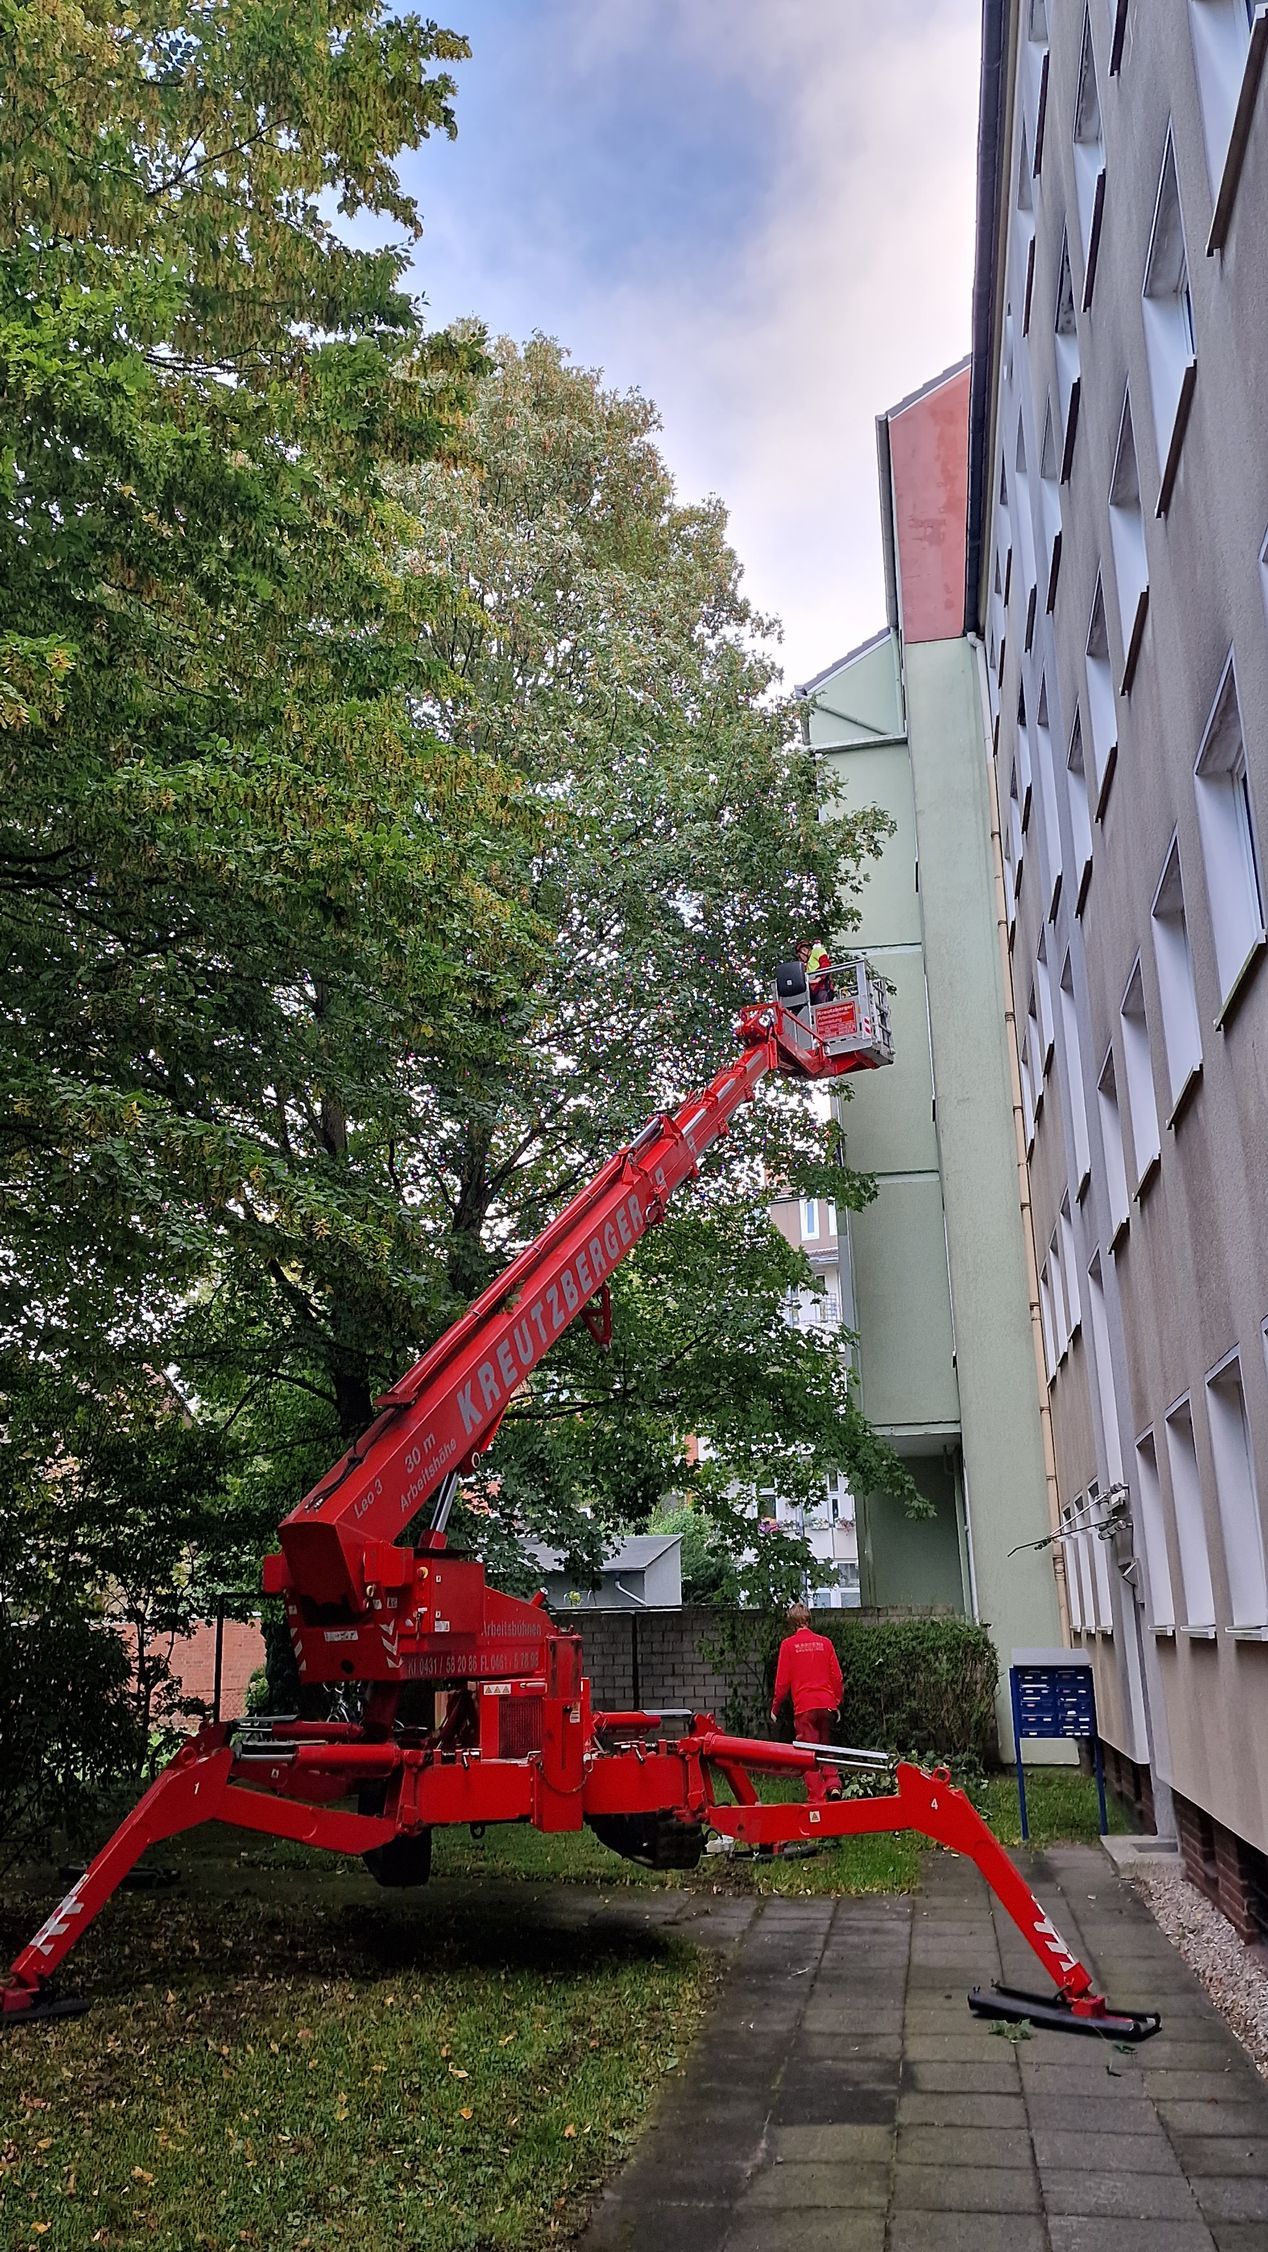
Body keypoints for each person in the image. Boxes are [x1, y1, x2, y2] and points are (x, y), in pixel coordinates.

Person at [770, 1602, 844, 1803]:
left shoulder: (788, 1645)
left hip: (805, 1707)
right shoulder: (825, 1643)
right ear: (809, 1620)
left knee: (808, 1753)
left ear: (791, 1623)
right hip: (826, 1704)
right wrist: (836, 1702)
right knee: (826, 1746)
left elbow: (782, 1682)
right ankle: (833, 1785)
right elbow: (837, 1677)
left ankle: (817, 1799)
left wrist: (775, 1707)